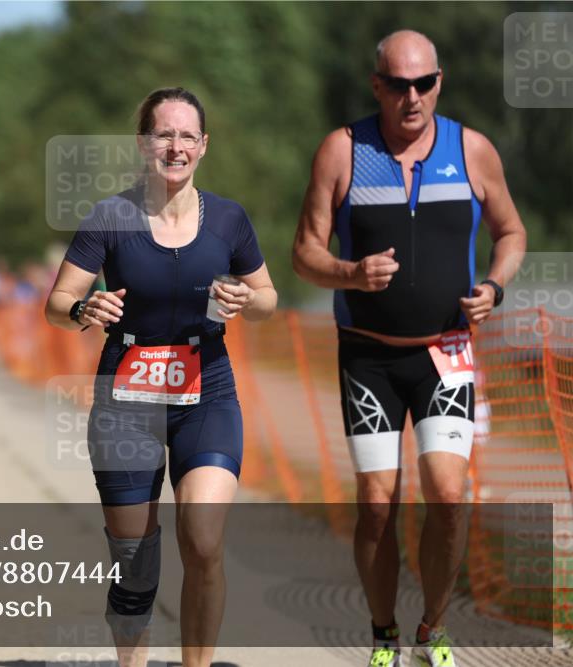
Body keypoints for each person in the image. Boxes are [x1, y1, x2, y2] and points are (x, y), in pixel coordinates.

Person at [291, 30, 526, 667]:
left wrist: (494, 287)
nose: (413, 97)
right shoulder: (343, 150)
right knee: (376, 505)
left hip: (445, 354)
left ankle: (433, 630)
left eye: (424, 83)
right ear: (378, 87)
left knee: (448, 497)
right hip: (368, 358)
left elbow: (511, 232)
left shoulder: (471, 149)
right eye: (399, 85)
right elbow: (305, 252)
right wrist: (350, 273)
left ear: (439, 83)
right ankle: (383, 634)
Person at [45, 87, 277, 667]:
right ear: (143, 143)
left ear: (204, 145)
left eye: (186, 136)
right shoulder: (110, 217)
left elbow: (268, 297)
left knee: (203, 538)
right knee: (134, 562)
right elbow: (58, 302)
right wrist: (84, 308)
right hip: (125, 400)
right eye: (164, 134)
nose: (176, 147)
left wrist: (249, 299)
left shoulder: (229, 219)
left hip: (208, 393)